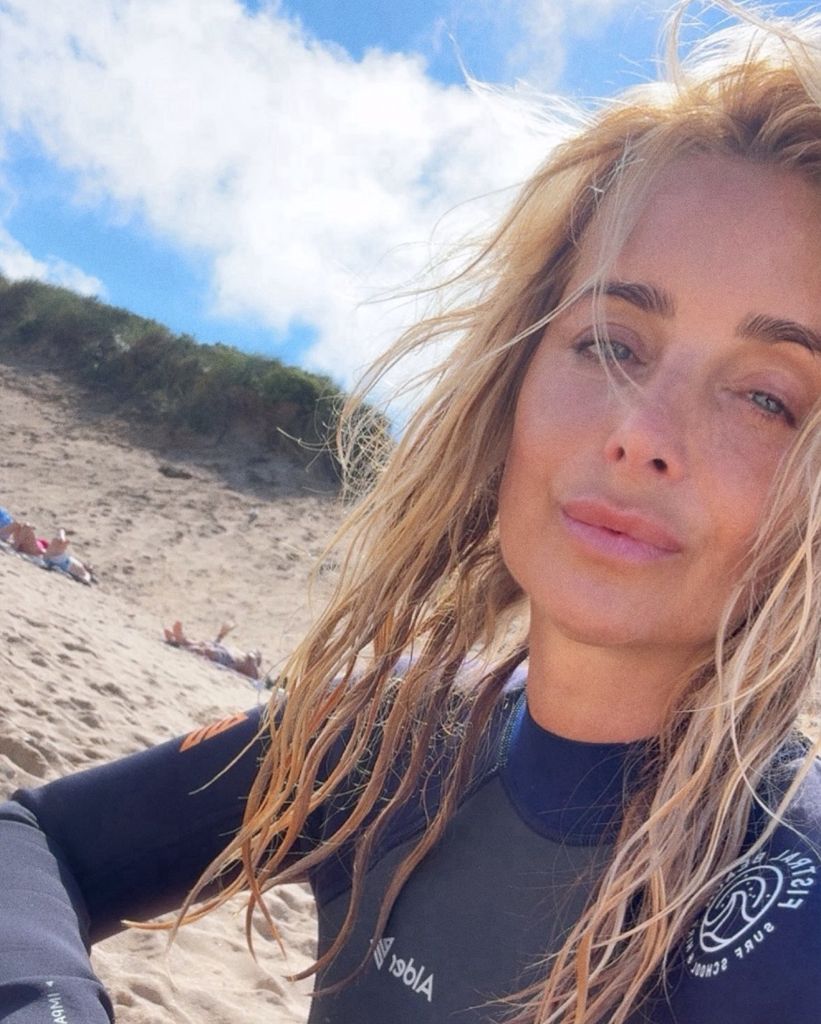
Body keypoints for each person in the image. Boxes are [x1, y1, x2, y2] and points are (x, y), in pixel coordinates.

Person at [2, 4, 821, 1022]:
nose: (640, 433)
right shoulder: (388, 742)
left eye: (765, 397)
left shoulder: (788, 921)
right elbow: (37, 836)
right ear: (512, 377)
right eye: (609, 340)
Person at [163, 619, 263, 680]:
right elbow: (217, 645)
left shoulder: (251, 667)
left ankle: (179, 642)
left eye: (255, 652)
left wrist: (253, 659)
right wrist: (221, 635)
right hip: (222, 651)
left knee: (207, 651)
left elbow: (254, 678)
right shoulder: (242, 654)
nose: (252, 652)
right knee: (203, 644)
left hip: (228, 659)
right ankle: (181, 640)